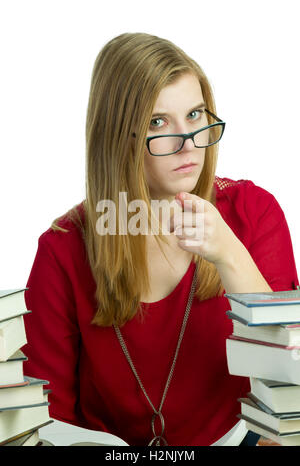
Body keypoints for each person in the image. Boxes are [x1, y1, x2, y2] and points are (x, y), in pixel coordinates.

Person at [22, 32, 299, 446]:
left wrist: (229, 255)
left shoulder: (251, 211)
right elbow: (42, 417)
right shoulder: (63, 249)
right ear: (118, 137)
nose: (187, 141)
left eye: (194, 115)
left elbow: (289, 384)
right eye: (157, 122)